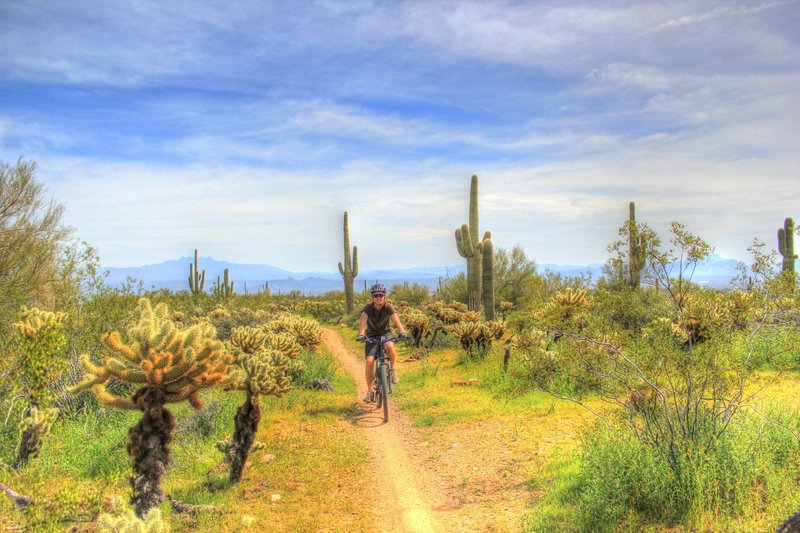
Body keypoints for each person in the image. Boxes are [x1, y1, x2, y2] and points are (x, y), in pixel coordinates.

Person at [357, 283, 407, 403]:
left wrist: (402, 332)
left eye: (381, 295)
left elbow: (396, 320)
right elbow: (363, 322)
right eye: (376, 295)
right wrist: (361, 334)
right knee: (369, 361)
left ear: (385, 296)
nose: (378, 297)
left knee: (390, 347)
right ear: (372, 297)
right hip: (371, 335)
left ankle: (392, 370)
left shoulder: (388, 307)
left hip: (385, 333)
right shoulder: (368, 308)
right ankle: (370, 391)